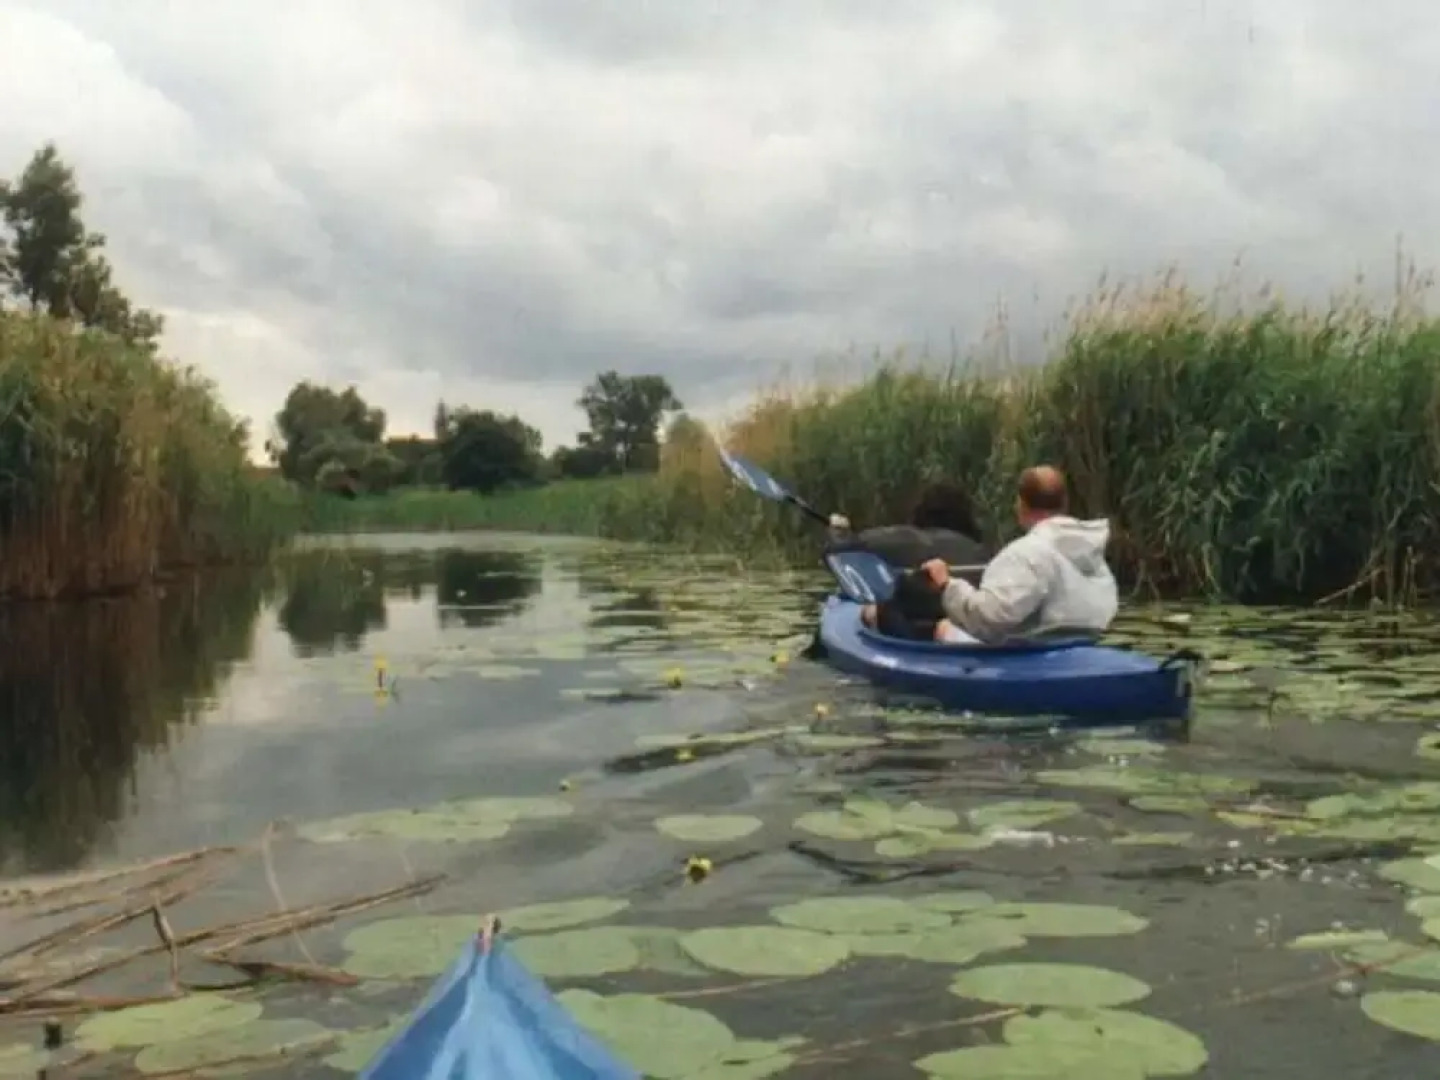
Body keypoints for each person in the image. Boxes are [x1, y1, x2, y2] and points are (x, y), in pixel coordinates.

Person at [919, 465, 1117, 645]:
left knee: (944, 627)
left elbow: (990, 618)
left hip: (1030, 656)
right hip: (1083, 646)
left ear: (1021, 505)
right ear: (1065, 503)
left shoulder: (1026, 553)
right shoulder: (1091, 550)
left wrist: (947, 585)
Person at [826, 481, 992, 640]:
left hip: (919, 633)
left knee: (879, 609)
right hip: (966, 629)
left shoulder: (910, 539)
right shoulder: (983, 552)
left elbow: (843, 548)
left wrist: (839, 531)